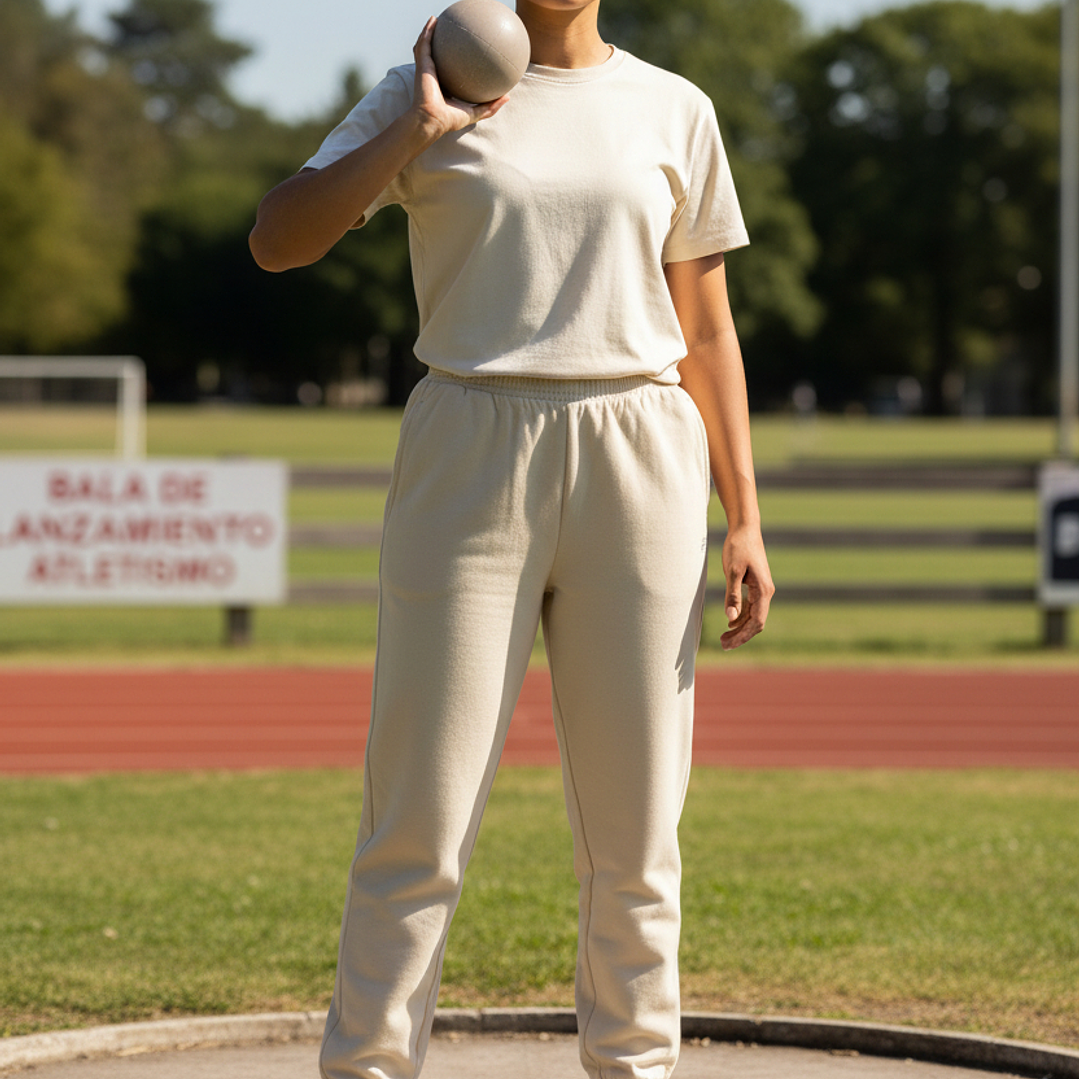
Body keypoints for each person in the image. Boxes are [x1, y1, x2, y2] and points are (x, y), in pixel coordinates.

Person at [250, 2, 774, 1076]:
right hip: (469, 438)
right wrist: (418, 131)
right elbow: (276, 242)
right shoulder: (420, 88)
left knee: (636, 832)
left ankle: (634, 1063)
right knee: (418, 813)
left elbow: (707, 326)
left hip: (640, 443)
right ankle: (368, 1064)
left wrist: (746, 514)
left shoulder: (673, 107)